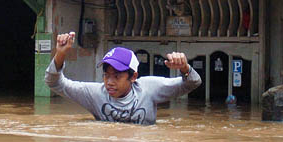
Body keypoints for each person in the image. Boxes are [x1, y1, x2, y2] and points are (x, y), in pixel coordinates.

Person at [45, 32, 201, 125]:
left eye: (117, 76)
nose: (109, 82)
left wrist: (184, 67)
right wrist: (61, 54)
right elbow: (55, 83)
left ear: (133, 77)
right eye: (106, 75)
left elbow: (193, 83)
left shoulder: (149, 89)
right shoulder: (94, 94)